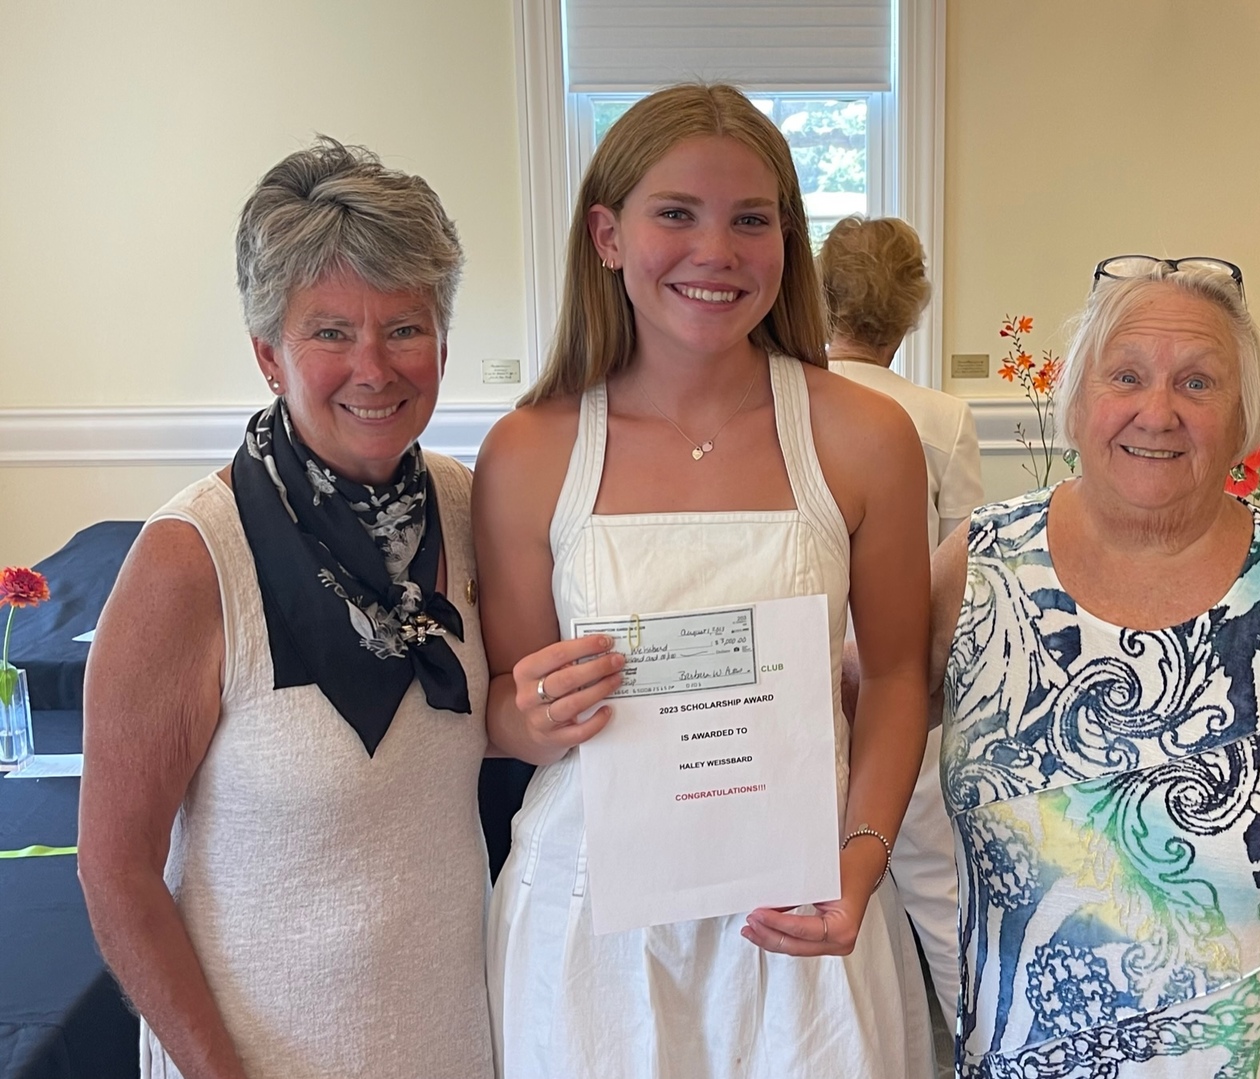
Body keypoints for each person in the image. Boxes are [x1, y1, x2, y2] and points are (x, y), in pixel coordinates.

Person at [475, 84, 935, 1078]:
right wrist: (533, 714)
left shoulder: (864, 438)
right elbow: (501, 710)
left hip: (802, 909)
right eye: (675, 213)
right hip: (590, 920)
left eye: (750, 220)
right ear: (607, 233)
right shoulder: (529, 450)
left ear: (788, 240)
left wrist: (859, 863)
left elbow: (898, 676)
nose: (715, 252)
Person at [929, 257, 1260, 1078]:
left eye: (1197, 384)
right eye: (1125, 375)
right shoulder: (981, 566)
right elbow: (850, 707)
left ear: (1241, 421)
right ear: (1079, 400)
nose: (1156, 412)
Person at [77, 139, 494, 1079]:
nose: (375, 367)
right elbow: (116, 871)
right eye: (331, 331)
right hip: (256, 1056)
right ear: (269, 353)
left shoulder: (473, 513)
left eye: (406, 326)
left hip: (451, 1040)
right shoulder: (191, 560)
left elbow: (512, 725)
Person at [818, 214, 982, 1042]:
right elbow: (967, 568)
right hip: (906, 684)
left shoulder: (786, 405)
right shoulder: (942, 417)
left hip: (809, 682)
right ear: (913, 308)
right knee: (941, 896)